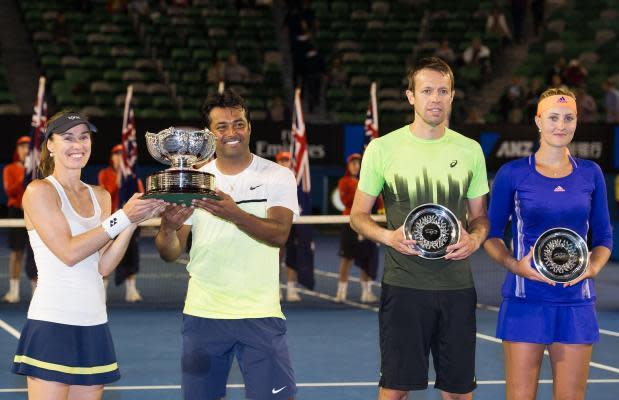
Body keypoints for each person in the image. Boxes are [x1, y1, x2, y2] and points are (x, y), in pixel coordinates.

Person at [350, 57, 490, 399]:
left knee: (458, 392)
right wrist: (388, 237)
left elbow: (481, 219)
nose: (436, 98)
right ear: (410, 96)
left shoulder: (470, 150)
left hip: (457, 287)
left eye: (443, 91)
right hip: (404, 287)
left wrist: (474, 239)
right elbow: (358, 215)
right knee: (395, 390)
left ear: (453, 95)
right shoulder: (382, 149)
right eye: (427, 90)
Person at [155, 89, 298, 400]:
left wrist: (235, 213)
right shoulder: (194, 180)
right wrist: (168, 226)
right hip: (204, 314)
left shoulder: (277, 176)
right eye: (222, 126)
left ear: (249, 127)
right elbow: (170, 252)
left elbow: (278, 234)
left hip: (260, 313)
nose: (232, 132)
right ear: (209, 135)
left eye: (239, 124)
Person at [11, 111, 164, 399]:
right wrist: (122, 217)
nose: (77, 144)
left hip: (94, 322)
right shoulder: (39, 191)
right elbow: (69, 252)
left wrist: (132, 221)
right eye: (67, 137)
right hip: (52, 323)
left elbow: (102, 265)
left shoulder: (101, 195)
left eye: (84, 137)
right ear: (51, 145)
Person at [483, 88, 612, 400]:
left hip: (575, 302)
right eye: (553, 117)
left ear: (577, 122)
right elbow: (492, 236)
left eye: (568, 118)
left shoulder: (591, 174)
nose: (561, 125)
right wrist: (516, 266)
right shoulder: (512, 174)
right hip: (525, 300)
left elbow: (604, 237)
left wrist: (592, 268)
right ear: (538, 121)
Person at [98, 144, 145, 302]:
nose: (119, 158)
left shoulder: (132, 178)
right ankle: (101, 292)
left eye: (122, 155)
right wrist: (117, 182)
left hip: (128, 221)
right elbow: (105, 196)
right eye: (116, 154)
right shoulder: (104, 174)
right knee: (105, 254)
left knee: (130, 255)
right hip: (110, 221)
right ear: (111, 157)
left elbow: (139, 196)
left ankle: (131, 290)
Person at [335, 153, 379, 303]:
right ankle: (341, 292)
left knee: (366, 258)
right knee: (346, 258)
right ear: (348, 166)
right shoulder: (344, 181)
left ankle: (366, 292)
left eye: (358, 163)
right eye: (352, 163)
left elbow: (376, 202)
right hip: (350, 223)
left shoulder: (367, 180)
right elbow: (346, 201)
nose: (355, 165)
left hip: (366, 222)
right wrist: (360, 190)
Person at [2, 136, 37, 303]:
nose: (25, 150)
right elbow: (10, 191)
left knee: (37, 252)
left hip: (35, 212)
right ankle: (14, 291)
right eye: (22, 147)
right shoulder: (9, 169)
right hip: (16, 212)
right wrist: (24, 176)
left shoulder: (38, 169)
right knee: (16, 252)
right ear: (17, 150)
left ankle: (36, 292)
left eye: (28, 147)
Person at [274, 151, 301, 302]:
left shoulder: (299, 180)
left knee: (293, 256)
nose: (285, 163)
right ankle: (275, 288)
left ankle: (291, 289)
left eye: (287, 160)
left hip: (294, 223)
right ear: (277, 162)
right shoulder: (271, 180)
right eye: (282, 160)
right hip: (277, 222)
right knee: (276, 257)